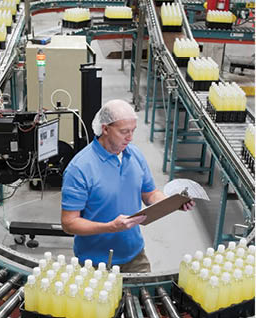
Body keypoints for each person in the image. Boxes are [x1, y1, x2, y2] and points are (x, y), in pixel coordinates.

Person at [61, 99, 194, 272]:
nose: (130, 138)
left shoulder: (134, 155)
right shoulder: (80, 168)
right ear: (105, 129)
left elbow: (150, 193)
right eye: (124, 131)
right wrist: (109, 227)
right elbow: (69, 223)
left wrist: (173, 203)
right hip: (95, 262)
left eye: (133, 131)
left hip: (135, 255)